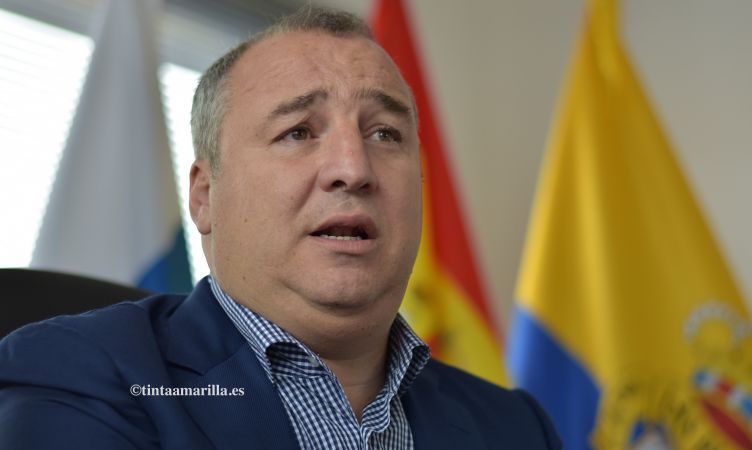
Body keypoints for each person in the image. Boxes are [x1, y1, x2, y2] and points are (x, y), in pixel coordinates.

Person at [0, 6, 560, 449]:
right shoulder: (74, 375)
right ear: (205, 196)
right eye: (297, 132)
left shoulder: (516, 427)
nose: (354, 169)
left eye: (385, 134)